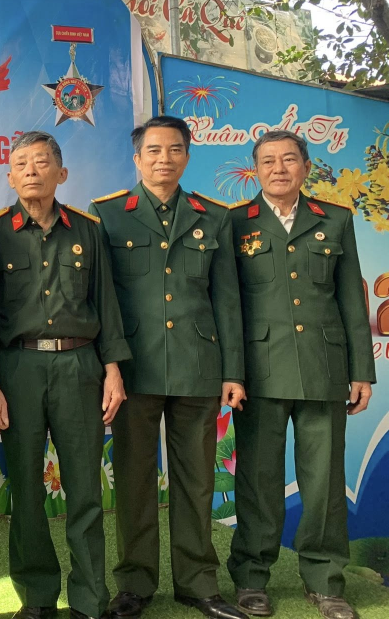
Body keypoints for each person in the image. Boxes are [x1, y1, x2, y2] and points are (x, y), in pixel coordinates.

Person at [90, 115, 246, 619]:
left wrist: (233, 371)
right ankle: (134, 585)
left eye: (174, 150)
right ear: (137, 158)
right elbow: (101, 299)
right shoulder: (107, 215)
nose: (164, 159)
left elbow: (227, 300)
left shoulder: (213, 216)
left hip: (198, 366)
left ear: (187, 156)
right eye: (154, 151)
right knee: (134, 479)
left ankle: (198, 584)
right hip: (134, 369)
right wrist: (109, 366)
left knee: (196, 480)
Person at [0, 131, 130, 619]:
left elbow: (106, 302)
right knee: (25, 490)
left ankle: (89, 599)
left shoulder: (87, 229)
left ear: (61, 173)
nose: (31, 170)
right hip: (17, 368)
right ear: (9, 176)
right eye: (21, 163)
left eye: (42, 161)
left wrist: (113, 370)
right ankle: (37, 597)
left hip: (79, 367)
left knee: (85, 490)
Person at [227, 130, 376, 619]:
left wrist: (361, 371)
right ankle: (252, 577)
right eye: (268, 161)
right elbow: (228, 304)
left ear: (306, 168)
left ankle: (325, 581)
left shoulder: (335, 219)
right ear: (255, 170)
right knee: (258, 480)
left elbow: (351, 299)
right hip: (260, 372)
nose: (279, 168)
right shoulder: (235, 222)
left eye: (289, 159)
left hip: (322, 368)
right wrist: (232, 372)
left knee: (325, 483)